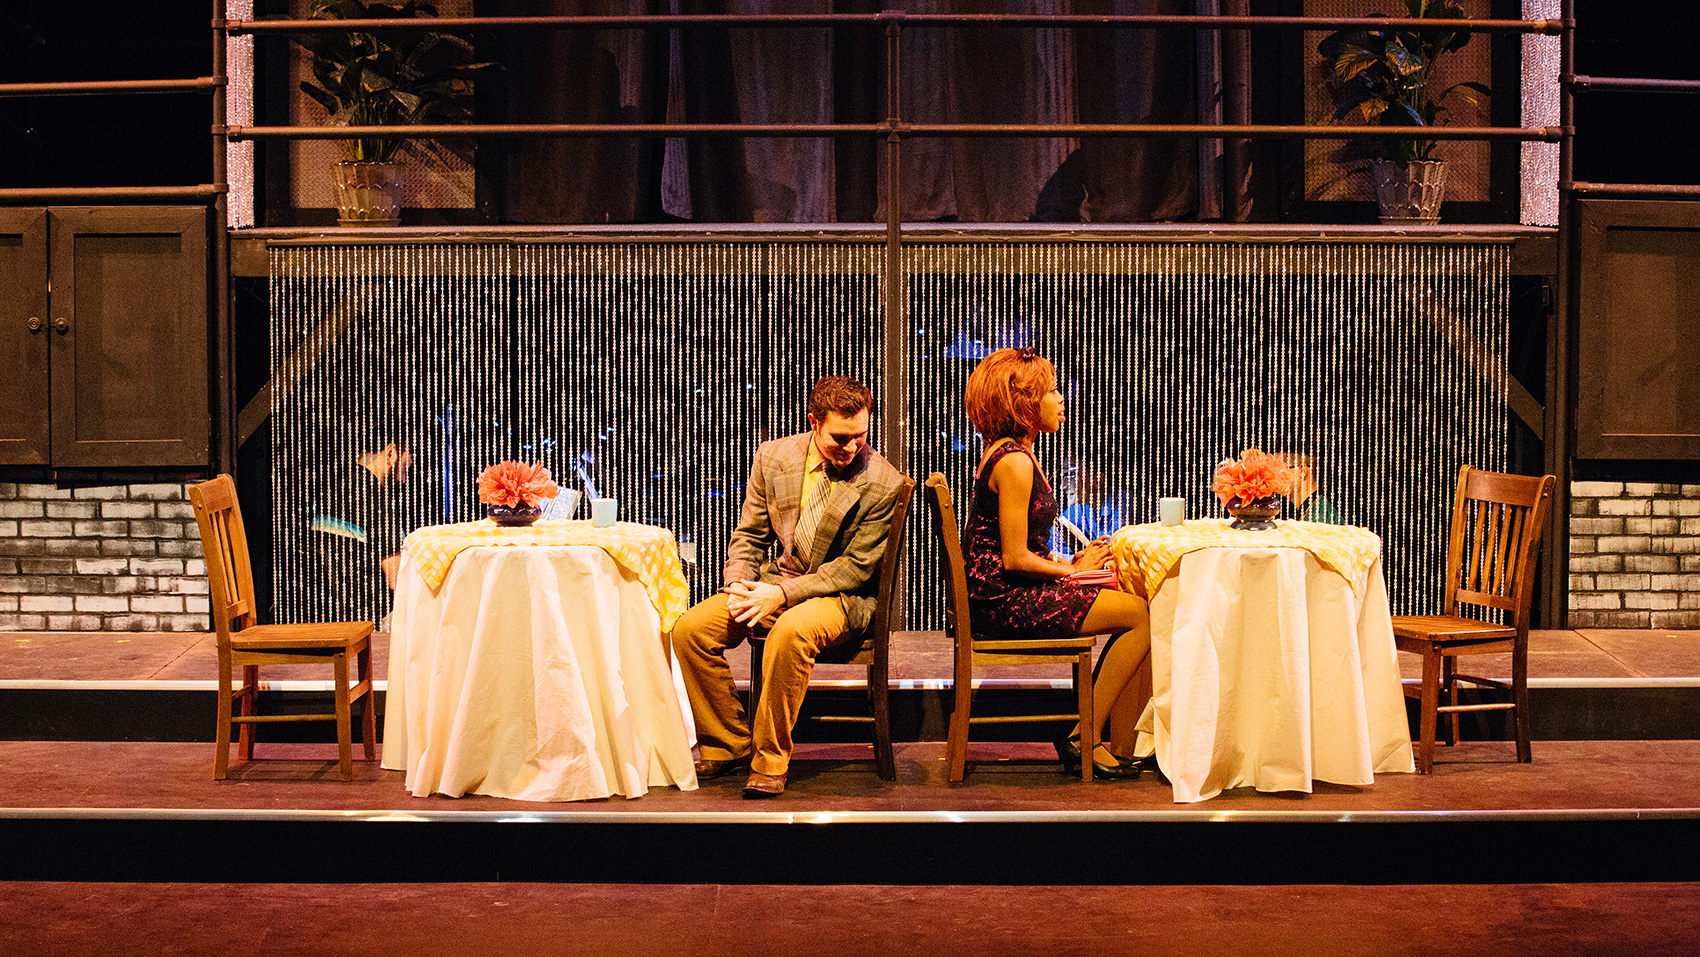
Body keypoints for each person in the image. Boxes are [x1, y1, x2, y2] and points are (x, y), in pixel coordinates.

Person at [672, 376, 907, 798]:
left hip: (843, 597)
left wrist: (781, 595)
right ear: (814, 422)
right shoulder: (774, 457)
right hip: (775, 583)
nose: (852, 447)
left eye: (861, 436)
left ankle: (769, 760)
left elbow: (853, 570)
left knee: (790, 632)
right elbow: (749, 536)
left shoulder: (882, 482)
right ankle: (727, 744)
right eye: (841, 437)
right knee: (691, 630)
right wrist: (741, 586)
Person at [961, 347, 1152, 778]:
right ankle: (1085, 735)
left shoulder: (1014, 453)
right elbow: (1013, 558)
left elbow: (1020, 546)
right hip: (1002, 601)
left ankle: (1106, 734)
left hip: (1007, 590)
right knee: (1140, 615)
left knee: (1125, 593)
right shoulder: (1013, 462)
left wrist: (1073, 559)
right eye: (1050, 391)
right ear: (1024, 404)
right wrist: (1073, 572)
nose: (1061, 398)